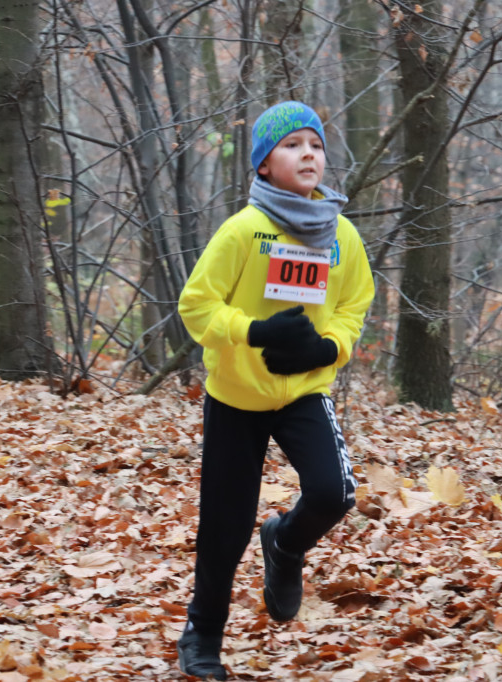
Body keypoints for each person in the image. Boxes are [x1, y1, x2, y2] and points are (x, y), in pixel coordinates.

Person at [175, 101, 375, 679]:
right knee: (225, 524)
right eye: (292, 145)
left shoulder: (343, 235)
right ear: (264, 165)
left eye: (314, 143)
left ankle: (284, 544)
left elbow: (353, 305)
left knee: (334, 493)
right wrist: (253, 331)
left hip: (303, 391)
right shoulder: (243, 231)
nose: (308, 153)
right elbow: (196, 305)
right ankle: (204, 634)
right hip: (237, 394)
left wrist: (328, 348)